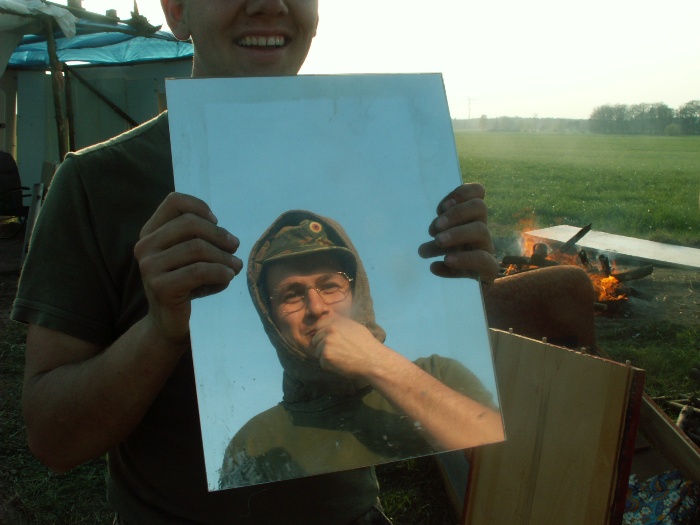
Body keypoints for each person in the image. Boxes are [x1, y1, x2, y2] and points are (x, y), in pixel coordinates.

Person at [12, 1, 500, 523]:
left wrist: (465, 295)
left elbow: (485, 442)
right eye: (290, 293)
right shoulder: (96, 182)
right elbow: (53, 441)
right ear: (177, 11)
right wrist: (158, 331)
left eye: (331, 283)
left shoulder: (375, 157)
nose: (270, 4)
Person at [219, 211, 503, 489]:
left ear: (358, 296)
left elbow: (510, 469)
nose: (317, 308)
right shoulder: (254, 442)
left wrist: (375, 362)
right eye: (291, 295)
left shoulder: (440, 374)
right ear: (270, 318)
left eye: (330, 286)